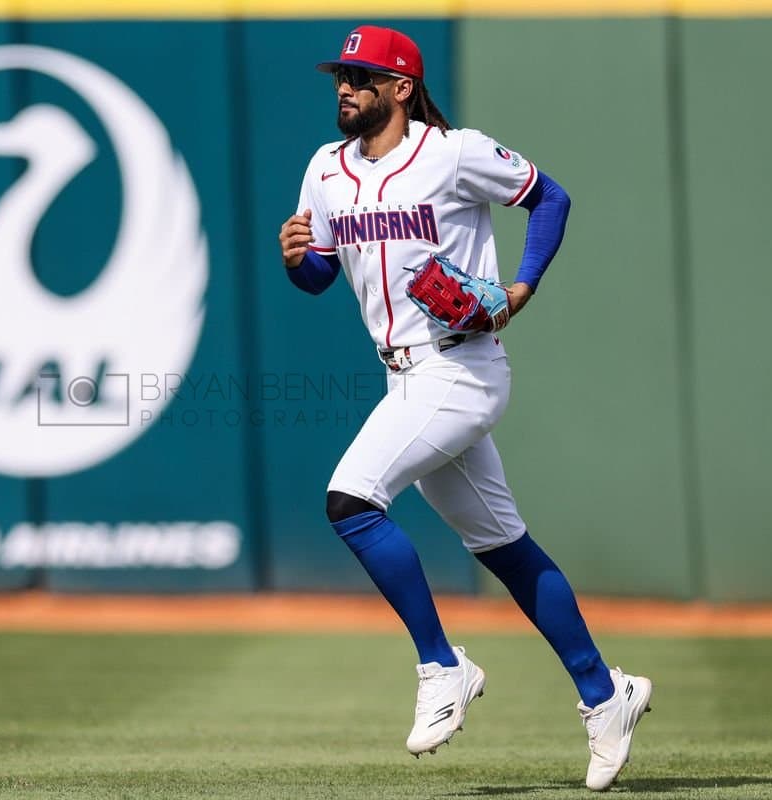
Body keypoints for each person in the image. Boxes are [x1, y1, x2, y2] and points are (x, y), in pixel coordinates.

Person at [277, 25, 652, 792]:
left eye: (361, 76)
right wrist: (298, 260)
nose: (344, 88)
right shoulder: (326, 169)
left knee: (350, 500)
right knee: (503, 546)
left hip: (461, 369)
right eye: (340, 77)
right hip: (402, 377)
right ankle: (604, 694)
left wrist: (521, 287)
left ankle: (442, 666)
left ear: (401, 88)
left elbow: (551, 197)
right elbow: (319, 277)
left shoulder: (451, 153)